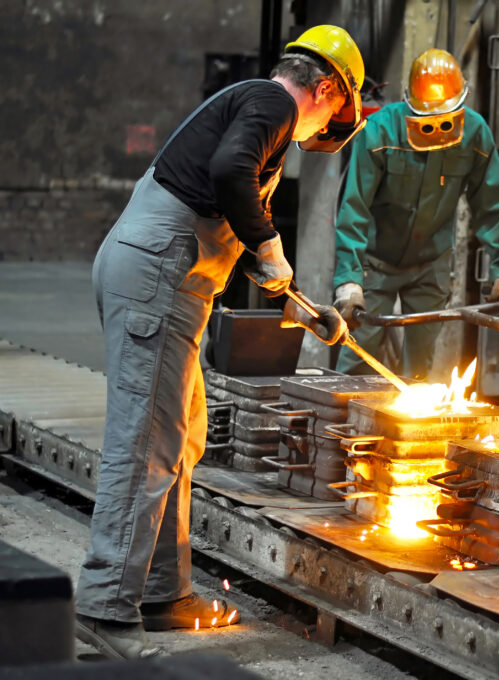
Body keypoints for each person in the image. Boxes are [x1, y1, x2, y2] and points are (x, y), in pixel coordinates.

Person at [75, 26, 363, 659]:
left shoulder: (256, 108)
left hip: (165, 276)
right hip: (158, 275)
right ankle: (104, 608)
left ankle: (162, 592)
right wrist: (268, 245)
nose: (324, 132)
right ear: (324, 89)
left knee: (181, 436)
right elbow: (229, 171)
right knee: (146, 444)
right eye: (334, 115)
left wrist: (298, 299)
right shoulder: (274, 103)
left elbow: (227, 201)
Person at [332, 48, 499, 380]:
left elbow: (493, 204)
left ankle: (405, 431)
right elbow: (354, 207)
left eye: (445, 121)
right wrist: (349, 278)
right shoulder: (378, 132)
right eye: (426, 123)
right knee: (358, 358)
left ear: (463, 102)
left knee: (419, 370)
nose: (437, 130)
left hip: (430, 266)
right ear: (408, 106)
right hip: (376, 264)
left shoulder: (474, 134)